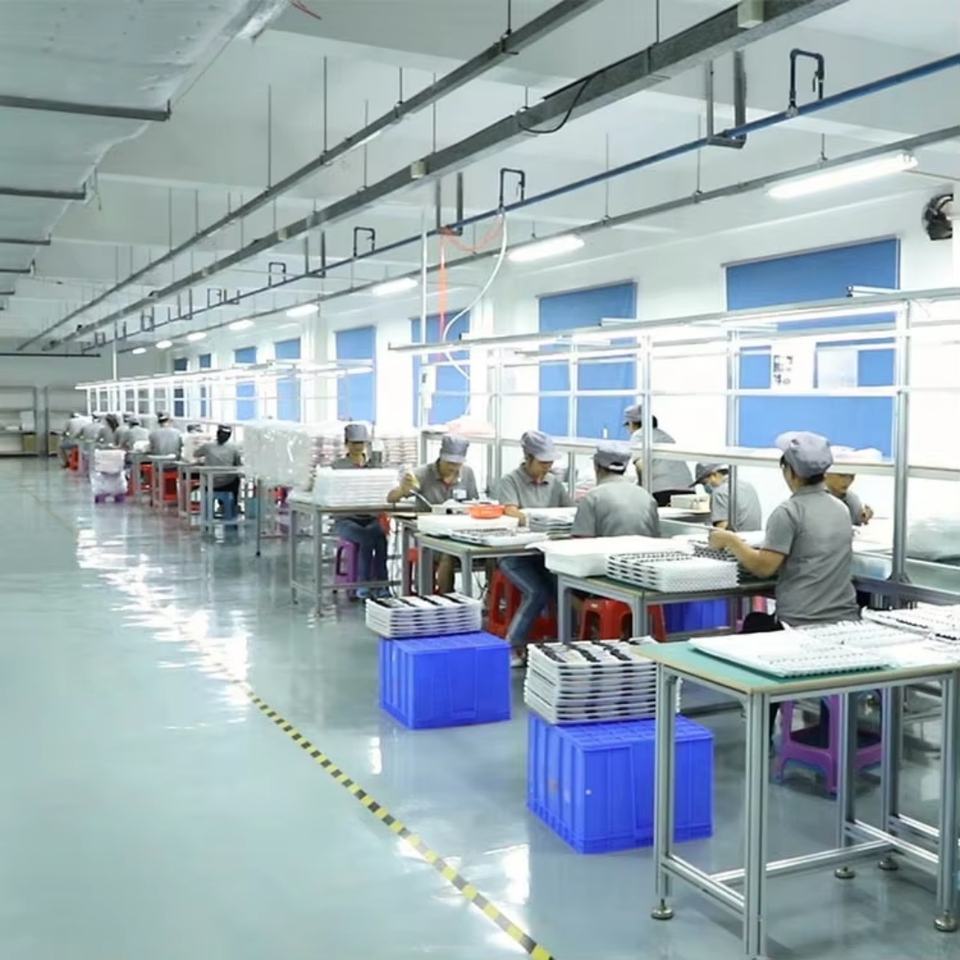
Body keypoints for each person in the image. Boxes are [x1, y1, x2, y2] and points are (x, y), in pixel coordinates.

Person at [708, 431, 858, 629]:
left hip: (800, 621)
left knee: (753, 623)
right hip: (844, 619)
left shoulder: (788, 512)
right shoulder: (841, 509)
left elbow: (763, 568)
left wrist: (731, 540)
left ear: (790, 472)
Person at [495, 430, 573, 666]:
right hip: (515, 555)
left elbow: (569, 511)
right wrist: (537, 520)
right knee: (537, 592)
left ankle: (566, 645)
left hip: (546, 555)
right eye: (542, 463)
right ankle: (511, 646)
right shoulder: (510, 481)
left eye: (550, 463)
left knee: (565, 589)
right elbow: (510, 511)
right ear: (528, 458)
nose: (546, 468)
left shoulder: (554, 483)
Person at [387, 434, 479, 592]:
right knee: (447, 553)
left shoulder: (467, 474)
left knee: (491, 556)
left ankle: (489, 598)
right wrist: (403, 489)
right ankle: (444, 598)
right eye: (449, 463)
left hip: (459, 533)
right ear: (441, 457)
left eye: (457, 464)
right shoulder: (422, 474)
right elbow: (391, 498)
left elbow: (474, 503)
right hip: (429, 535)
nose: (453, 468)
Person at [332, 423, 389, 598]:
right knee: (365, 539)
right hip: (346, 519)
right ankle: (363, 585)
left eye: (361, 443)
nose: (358, 447)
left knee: (381, 539)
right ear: (346, 444)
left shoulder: (373, 466)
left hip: (370, 518)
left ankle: (382, 585)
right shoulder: (338, 467)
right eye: (354, 443)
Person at [572, 441, 660, 538]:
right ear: (625, 468)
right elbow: (656, 538)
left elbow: (582, 540)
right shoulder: (646, 497)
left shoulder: (593, 498)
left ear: (596, 465)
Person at [624, 404, 694, 507]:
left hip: (663, 491)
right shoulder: (665, 436)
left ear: (631, 423)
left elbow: (641, 465)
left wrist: (641, 488)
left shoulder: (639, 435)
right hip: (687, 490)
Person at [695, 462, 763, 531]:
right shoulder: (748, 486)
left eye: (704, 483)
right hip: (755, 536)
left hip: (736, 536)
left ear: (714, 475)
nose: (705, 487)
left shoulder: (719, 492)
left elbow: (720, 529)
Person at [195, 424, 243, 505]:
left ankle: (207, 507)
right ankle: (232, 505)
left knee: (204, 479)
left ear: (217, 433)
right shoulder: (234, 447)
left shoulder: (207, 446)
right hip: (228, 483)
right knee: (236, 479)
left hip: (210, 482)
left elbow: (196, 454)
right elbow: (238, 463)